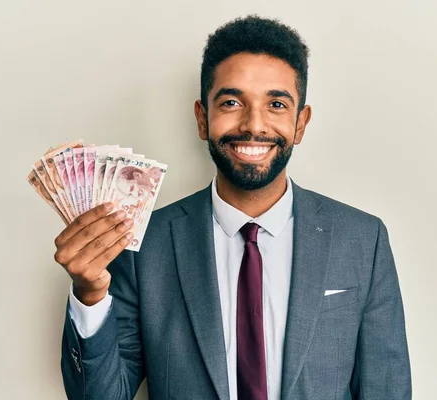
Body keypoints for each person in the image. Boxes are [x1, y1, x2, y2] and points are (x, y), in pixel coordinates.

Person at [55, 15, 411, 400]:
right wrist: (89, 295)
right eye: (231, 102)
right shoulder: (144, 244)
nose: (253, 124)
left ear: (301, 123)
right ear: (202, 119)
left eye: (276, 103)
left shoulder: (362, 240)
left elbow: (386, 390)